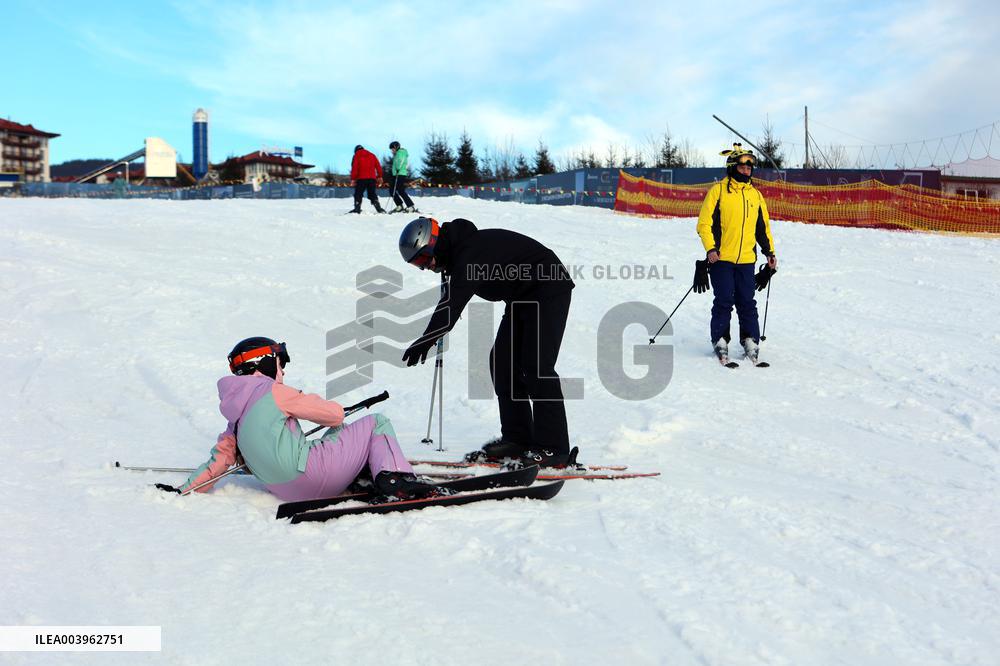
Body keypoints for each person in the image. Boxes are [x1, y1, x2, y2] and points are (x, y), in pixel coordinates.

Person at [157, 337, 444, 501]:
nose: (282, 371)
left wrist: (185, 489)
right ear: (266, 362)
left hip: (283, 489)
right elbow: (332, 415)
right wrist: (334, 411)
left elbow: (219, 462)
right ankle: (394, 478)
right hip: (313, 477)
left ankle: (366, 471)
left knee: (337, 434)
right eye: (280, 364)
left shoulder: (237, 417)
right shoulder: (273, 391)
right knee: (376, 422)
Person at [397, 217, 577, 468]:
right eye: (418, 264)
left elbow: (452, 305)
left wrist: (426, 339)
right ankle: (518, 439)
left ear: (434, 244)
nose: (425, 267)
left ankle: (554, 449)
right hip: (522, 297)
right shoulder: (457, 255)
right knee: (503, 363)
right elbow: (450, 300)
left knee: (537, 368)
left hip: (548, 288)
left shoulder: (469, 255)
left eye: (424, 259)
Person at [696, 143, 778, 364]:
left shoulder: (756, 196)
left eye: (750, 165)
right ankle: (720, 340)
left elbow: (763, 227)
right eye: (743, 165)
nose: (747, 169)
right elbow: (704, 224)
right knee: (724, 300)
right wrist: (711, 249)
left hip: (747, 260)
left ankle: (750, 339)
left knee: (747, 301)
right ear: (733, 167)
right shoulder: (718, 192)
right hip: (722, 258)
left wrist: (769, 251)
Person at [349, 145, 385, 214]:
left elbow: (355, 167)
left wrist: (353, 178)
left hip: (361, 179)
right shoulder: (372, 155)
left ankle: (357, 209)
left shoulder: (357, 155)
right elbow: (378, 166)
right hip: (372, 179)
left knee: (358, 194)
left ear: (356, 151)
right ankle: (379, 208)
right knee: (372, 194)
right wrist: (380, 176)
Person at [388, 140, 417, 213]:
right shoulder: (398, 153)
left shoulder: (400, 153)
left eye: (392, 149)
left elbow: (401, 161)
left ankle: (410, 206)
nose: (392, 151)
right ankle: (399, 206)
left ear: (396, 147)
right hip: (397, 174)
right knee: (392, 190)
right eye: (391, 149)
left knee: (400, 190)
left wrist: (398, 169)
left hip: (400, 174)